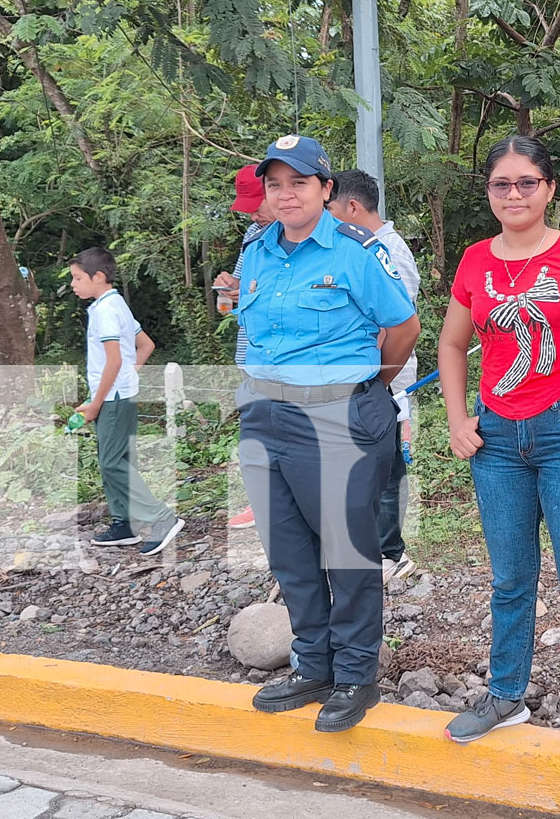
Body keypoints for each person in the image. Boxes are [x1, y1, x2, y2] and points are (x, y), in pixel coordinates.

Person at [437, 136, 560, 775]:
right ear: (490, 192)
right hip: (497, 437)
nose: (515, 195)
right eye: (502, 184)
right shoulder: (475, 259)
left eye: (527, 183)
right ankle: (505, 695)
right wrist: (456, 418)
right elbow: (449, 345)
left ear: (549, 188)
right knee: (509, 579)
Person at [237, 134, 419, 734]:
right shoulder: (256, 252)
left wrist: (365, 388)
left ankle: (356, 676)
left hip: (338, 418)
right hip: (266, 417)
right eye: (275, 184)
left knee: (346, 554)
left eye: (299, 183)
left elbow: (402, 328)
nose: (285, 195)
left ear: (326, 190)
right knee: (290, 554)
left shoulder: (354, 253)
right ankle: (312, 664)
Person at [328, 168, 420, 584]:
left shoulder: (387, 251)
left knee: (388, 465)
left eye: (329, 207)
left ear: (351, 206)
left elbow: (393, 321)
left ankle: (390, 552)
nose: (326, 216)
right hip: (364, 380)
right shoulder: (353, 247)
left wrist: (376, 382)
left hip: (388, 376)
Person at [68, 247, 182, 556]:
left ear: (98, 277)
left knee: (111, 462)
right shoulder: (115, 303)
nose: (74, 285)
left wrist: (95, 403)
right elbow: (146, 345)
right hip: (120, 393)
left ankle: (162, 518)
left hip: (113, 398)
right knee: (116, 459)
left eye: (78, 278)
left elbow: (114, 361)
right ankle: (124, 524)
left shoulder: (106, 310)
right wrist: (128, 378)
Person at [211, 164, 276, 531]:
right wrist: (230, 285)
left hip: (283, 359)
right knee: (254, 432)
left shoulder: (297, 237)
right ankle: (259, 499)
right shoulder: (253, 234)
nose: (253, 213)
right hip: (249, 351)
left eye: (257, 203)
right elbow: (242, 284)